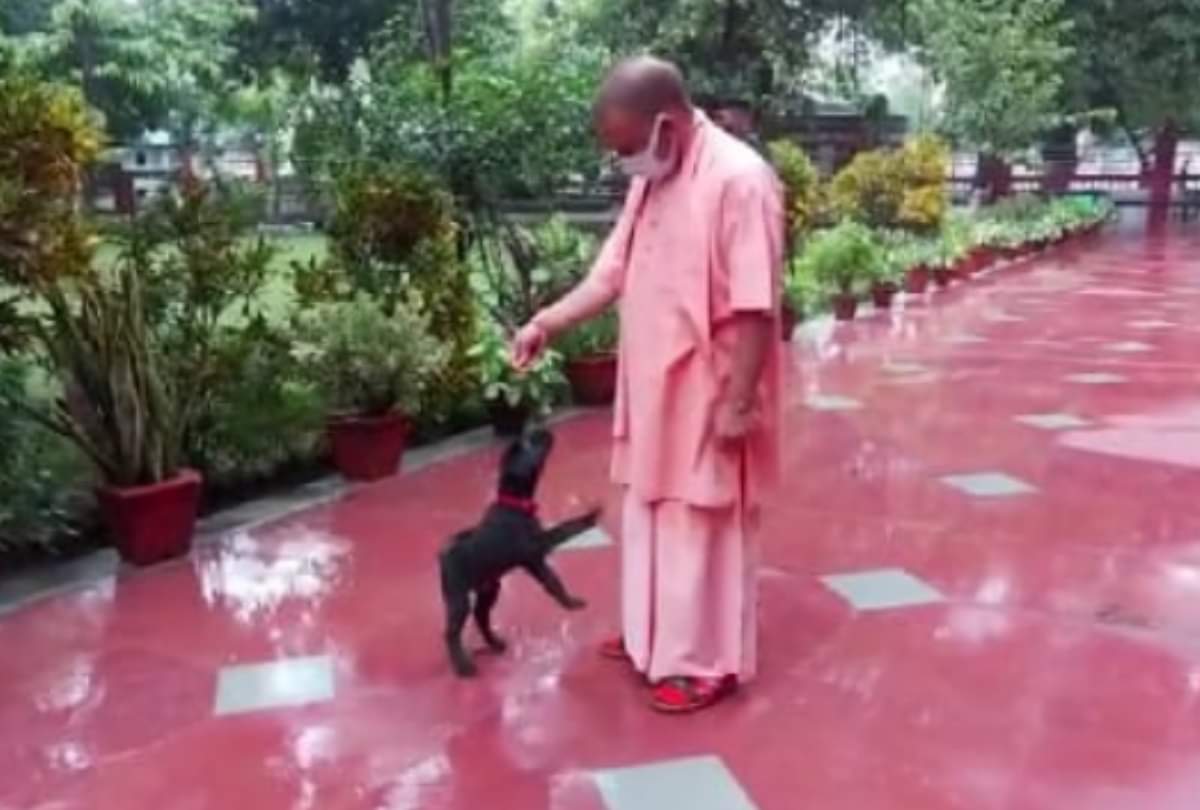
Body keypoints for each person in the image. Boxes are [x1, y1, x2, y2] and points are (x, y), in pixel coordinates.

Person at [511, 56, 784, 714]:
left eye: (628, 147)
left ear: (665, 123)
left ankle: (705, 661)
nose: (623, 162)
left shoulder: (741, 180)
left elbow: (756, 307)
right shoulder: (654, 176)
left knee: (704, 521)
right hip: (654, 386)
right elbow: (611, 275)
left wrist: (738, 404)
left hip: (714, 388)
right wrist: (545, 322)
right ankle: (653, 637)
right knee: (650, 512)